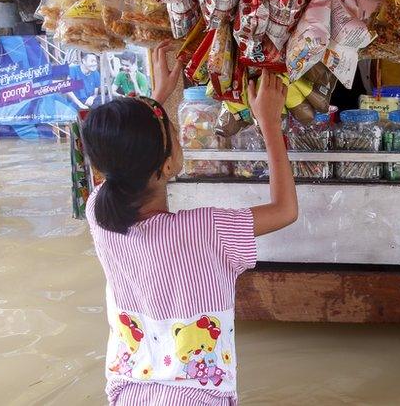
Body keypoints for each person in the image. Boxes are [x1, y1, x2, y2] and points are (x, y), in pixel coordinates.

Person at [80, 70, 298, 405]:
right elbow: (285, 210)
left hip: (130, 392)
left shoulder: (97, 210)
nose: (182, 134)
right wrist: (269, 123)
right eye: (176, 134)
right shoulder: (206, 230)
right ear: (166, 166)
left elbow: (127, 157)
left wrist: (157, 98)